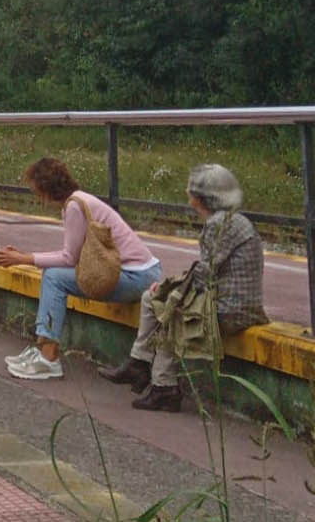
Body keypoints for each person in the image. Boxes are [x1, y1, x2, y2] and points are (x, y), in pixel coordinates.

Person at [98, 164, 268, 411]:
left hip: (230, 308)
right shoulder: (232, 220)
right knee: (151, 297)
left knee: (171, 311)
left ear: (201, 198)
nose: (188, 198)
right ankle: (139, 362)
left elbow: (205, 274)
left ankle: (163, 386)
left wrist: (171, 290)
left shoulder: (218, 224)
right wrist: (169, 287)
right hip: (236, 302)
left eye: (190, 193)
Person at [0, 157, 162, 380]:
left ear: (45, 188)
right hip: (141, 273)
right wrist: (24, 256)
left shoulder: (73, 206)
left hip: (135, 276)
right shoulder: (78, 200)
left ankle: (48, 358)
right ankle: (44, 350)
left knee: (53, 277)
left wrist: (23, 258)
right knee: (53, 274)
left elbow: (68, 258)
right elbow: (72, 255)